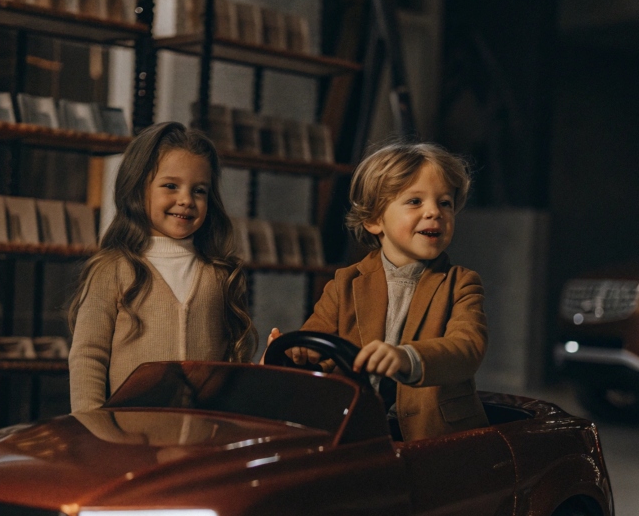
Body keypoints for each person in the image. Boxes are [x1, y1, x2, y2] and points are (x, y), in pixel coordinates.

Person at [267, 140, 489, 441]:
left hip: (434, 437)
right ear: (373, 219)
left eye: (445, 203)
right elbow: (319, 345)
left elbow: (466, 348)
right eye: (415, 201)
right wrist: (296, 352)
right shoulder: (345, 283)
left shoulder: (460, 283)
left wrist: (406, 357)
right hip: (360, 430)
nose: (434, 212)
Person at [68, 122, 256, 412]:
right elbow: (88, 355)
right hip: (131, 440)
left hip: (203, 439)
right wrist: (93, 425)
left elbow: (233, 361)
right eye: (170, 186)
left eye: (199, 190)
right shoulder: (112, 270)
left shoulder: (219, 274)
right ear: (137, 188)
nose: (186, 200)